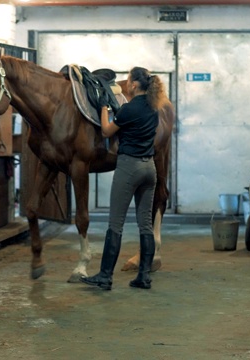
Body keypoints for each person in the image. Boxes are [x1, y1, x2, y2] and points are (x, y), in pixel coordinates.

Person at [81, 66, 163, 290]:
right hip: (150, 168)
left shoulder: (129, 109)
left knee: (115, 223)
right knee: (145, 224)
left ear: (134, 85)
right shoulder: (154, 108)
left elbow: (107, 131)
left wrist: (104, 108)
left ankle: (105, 276)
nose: (127, 83)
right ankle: (143, 276)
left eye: (128, 80)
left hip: (129, 167)